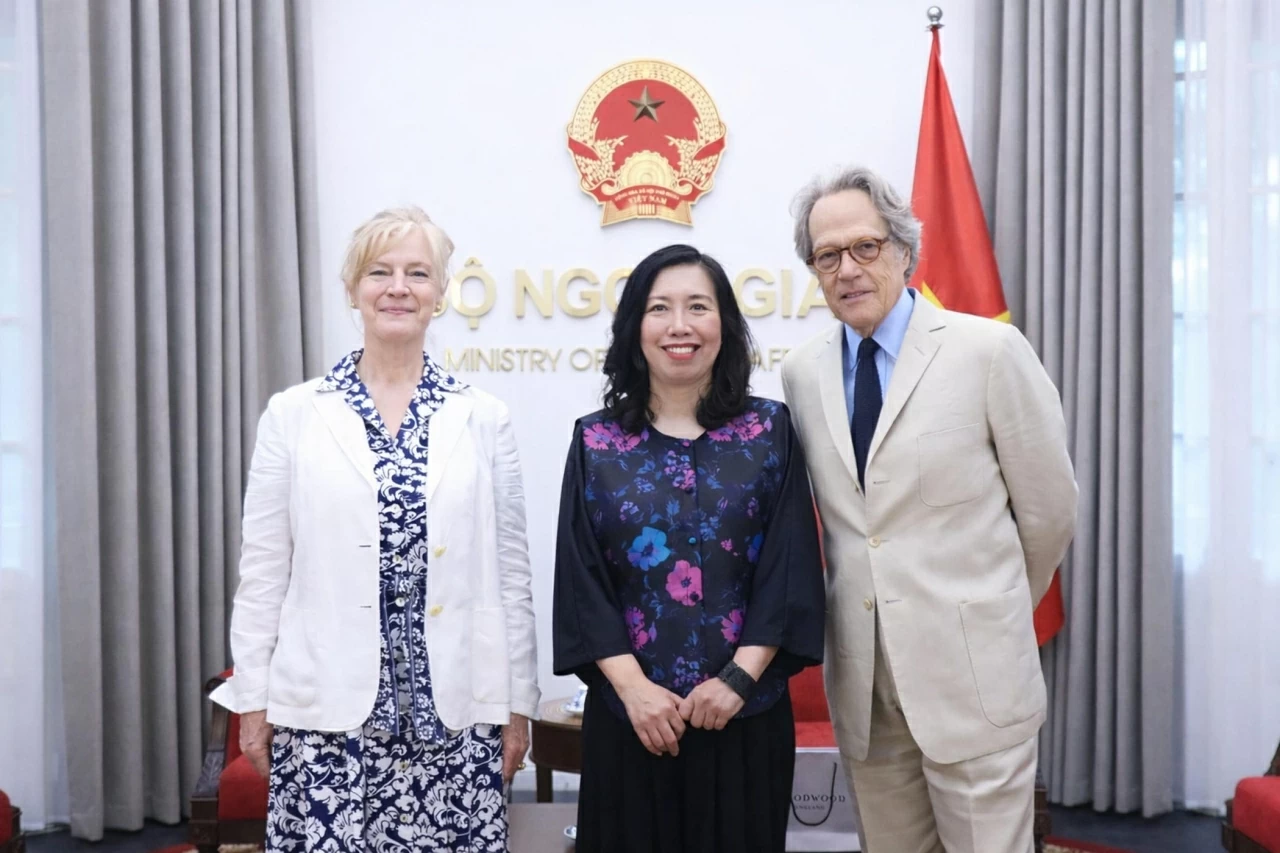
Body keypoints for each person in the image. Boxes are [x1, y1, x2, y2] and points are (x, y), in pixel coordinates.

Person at [211, 206, 539, 853]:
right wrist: (252, 697)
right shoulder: (295, 415)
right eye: (380, 271)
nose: (398, 286)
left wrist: (518, 701)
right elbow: (263, 571)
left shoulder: (482, 418)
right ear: (352, 287)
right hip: (327, 714)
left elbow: (511, 574)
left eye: (418, 272)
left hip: (454, 711)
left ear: (441, 292)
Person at [780, 166, 1078, 853]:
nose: (848, 269)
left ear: (904, 249)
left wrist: (988, 607)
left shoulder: (988, 351)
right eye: (828, 255)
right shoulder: (802, 372)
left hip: (974, 680)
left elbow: (1049, 512)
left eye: (865, 247)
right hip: (866, 687)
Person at [552, 244, 826, 853]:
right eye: (660, 308)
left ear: (724, 326)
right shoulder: (595, 441)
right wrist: (635, 692)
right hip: (631, 724)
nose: (680, 325)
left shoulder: (769, 430)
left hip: (745, 717)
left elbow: (789, 569)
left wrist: (735, 679)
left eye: (697, 307)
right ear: (634, 329)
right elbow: (582, 581)